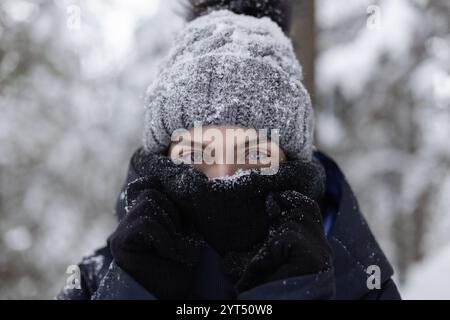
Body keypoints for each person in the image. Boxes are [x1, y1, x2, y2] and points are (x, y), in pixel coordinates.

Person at [58, 0, 401, 300]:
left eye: (253, 154)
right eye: (194, 155)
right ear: (160, 158)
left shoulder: (362, 286)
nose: (223, 177)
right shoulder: (94, 284)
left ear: (293, 160)